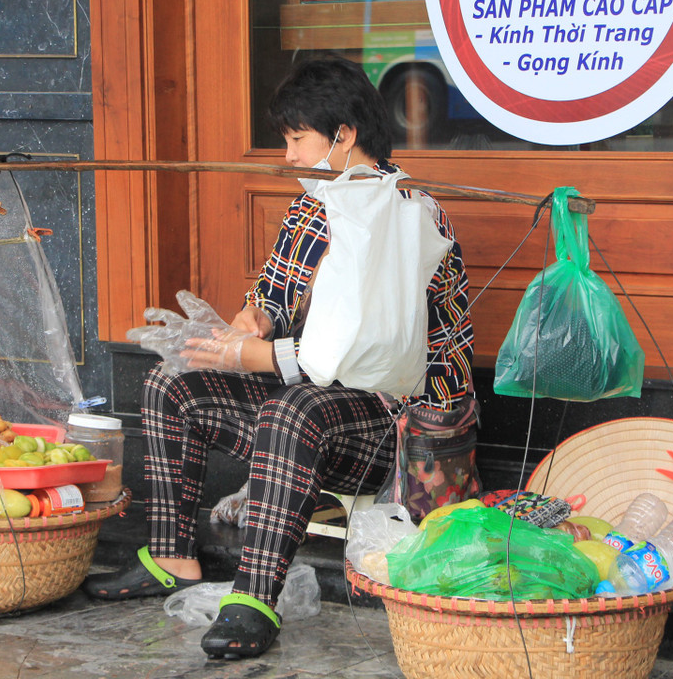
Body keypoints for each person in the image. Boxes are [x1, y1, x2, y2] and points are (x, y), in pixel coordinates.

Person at [83, 55, 475, 659]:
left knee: (294, 410)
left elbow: (356, 354)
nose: (288, 155)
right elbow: (271, 293)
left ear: (343, 135)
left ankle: (253, 600)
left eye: (298, 139)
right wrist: (231, 333)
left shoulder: (404, 215)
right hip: (307, 399)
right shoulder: (314, 203)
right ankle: (172, 557)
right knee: (171, 384)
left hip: (389, 428)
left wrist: (252, 356)